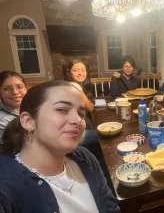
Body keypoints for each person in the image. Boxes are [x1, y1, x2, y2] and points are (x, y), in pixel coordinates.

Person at [0, 80, 120, 213]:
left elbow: (111, 208)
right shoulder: (6, 186)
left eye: (81, 114)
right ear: (28, 121)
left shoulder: (84, 157)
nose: (78, 120)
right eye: (62, 110)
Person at [0, 71, 27, 139]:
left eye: (19, 87)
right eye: (7, 89)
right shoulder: (2, 120)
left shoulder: (34, 106)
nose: (15, 92)